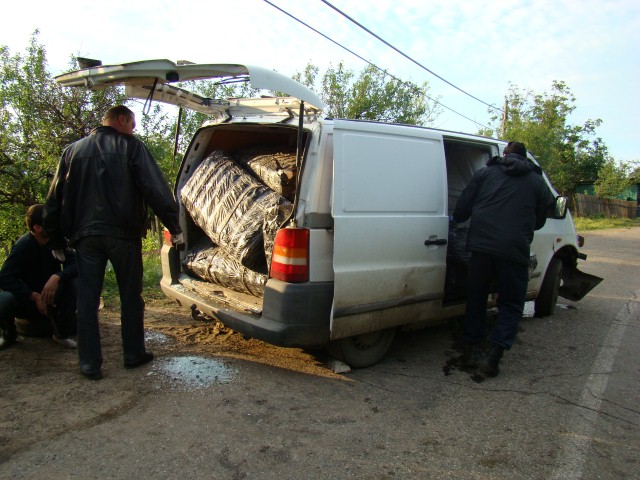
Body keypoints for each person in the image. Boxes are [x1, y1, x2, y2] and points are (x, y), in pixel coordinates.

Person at [44, 105, 183, 380]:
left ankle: (89, 363)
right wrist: (175, 226)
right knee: (130, 296)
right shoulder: (131, 147)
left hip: (84, 237)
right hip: (123, 235)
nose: (134, 130)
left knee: (87, 300)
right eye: (132, 124)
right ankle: (133, 354)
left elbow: (54, 197)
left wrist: (55, 239)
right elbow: (154, 188)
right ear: (122, 120)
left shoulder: (72, 151)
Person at [453, 141, 551, 377]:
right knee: (511, 303)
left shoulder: (485, 173)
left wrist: (465, 217)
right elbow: (540, 221)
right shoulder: (537, 181)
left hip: (481, 248)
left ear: (504, 154)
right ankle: (494, 354)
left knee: (476, 297)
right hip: (514, 250)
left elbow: (462, 209)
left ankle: (474, 348)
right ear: (525, 157)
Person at [0, 204, 78, 350]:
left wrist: (57, 277)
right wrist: (33, 296)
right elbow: (4, 277)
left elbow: (75, 264)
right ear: (37, 227)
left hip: (52, 297)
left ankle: (61, 334)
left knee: (74, 282)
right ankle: (8, 334)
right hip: (28, 302)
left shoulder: (57, 241)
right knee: (4, 299)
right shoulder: (23, 246)